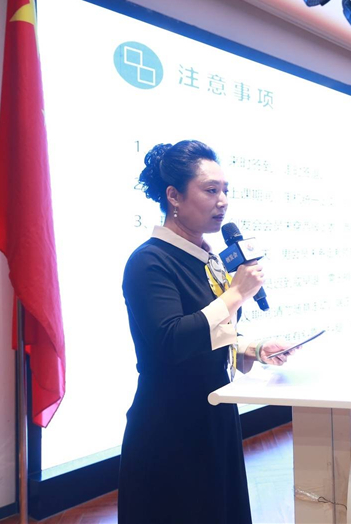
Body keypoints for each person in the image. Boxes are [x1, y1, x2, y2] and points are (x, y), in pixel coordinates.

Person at [118, 140, 292, 524]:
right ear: (174, 196)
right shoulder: (149, 261)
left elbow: (208, 333)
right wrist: (236, 293)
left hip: (215, 416)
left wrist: (251, 349)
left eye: (226, 190)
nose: (223, 201)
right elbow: (171, 340)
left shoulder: (207, 257)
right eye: (211, 190)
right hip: (170, 427)